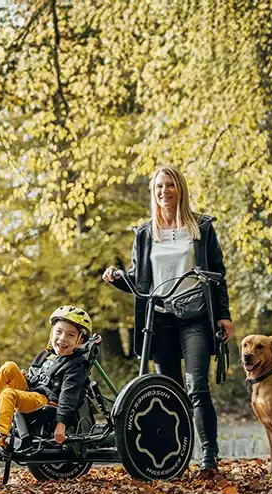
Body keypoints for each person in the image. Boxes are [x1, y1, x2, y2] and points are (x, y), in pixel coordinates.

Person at [102, 165, 233, 476]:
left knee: (197, 386)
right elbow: (140, 281)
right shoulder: (146, 234)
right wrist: (117, 278)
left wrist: (224, 315)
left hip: (195, 318)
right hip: (159, 320)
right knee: (170, 393)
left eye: (170, 185)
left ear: (180, 189)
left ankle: (209, 459)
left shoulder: (201, 227)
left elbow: (218, 273)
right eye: (159, 186)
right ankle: (177, 459)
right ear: (154, 192)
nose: (164, 191)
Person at [0, 306, 96, 458]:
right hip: (32, 392)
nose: (62, 338)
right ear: (51, 333)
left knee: (8, 394)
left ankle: (0, 436)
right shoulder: (46, 356)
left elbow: (69, 396)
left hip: (46, 401)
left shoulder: (76, 365)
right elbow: (35, 377)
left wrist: (61, 424)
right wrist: (26, 378)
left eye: (70, 335)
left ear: (79, 341)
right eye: (59, 332)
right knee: (9, 366)